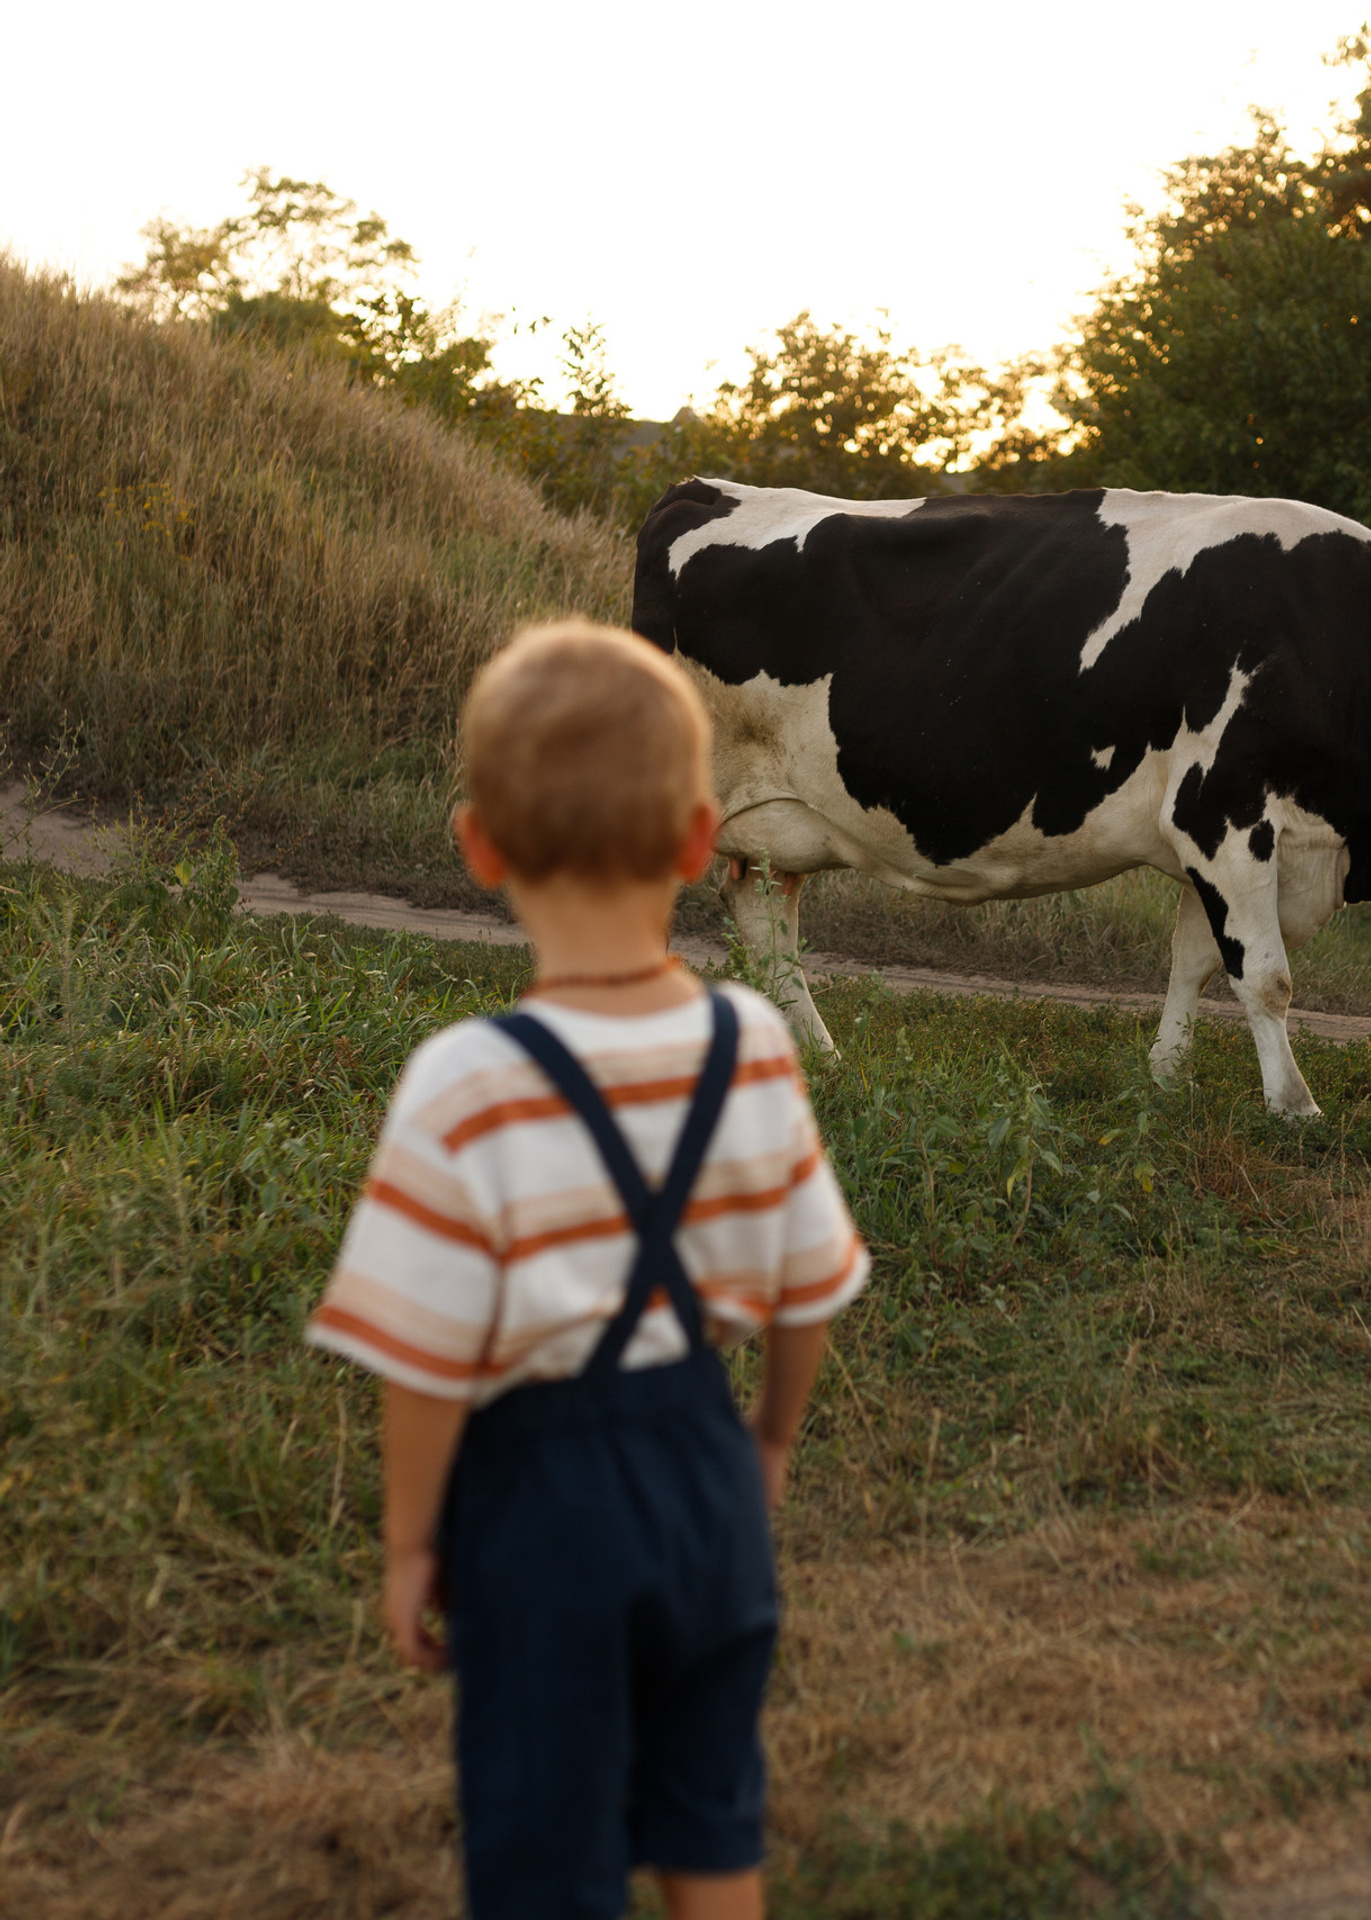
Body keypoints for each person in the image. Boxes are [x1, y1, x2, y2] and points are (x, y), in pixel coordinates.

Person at [307, 619, 868, 1920]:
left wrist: (409, 1543)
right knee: (710, 1812)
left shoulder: (466, 1083)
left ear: (479, 848)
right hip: (710, 1489)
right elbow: (807, 1293)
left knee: (547, 1851)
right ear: (697, 844)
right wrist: (769, 1442)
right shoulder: (756, 1048)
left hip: (542, 1516)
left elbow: (423, 1358)